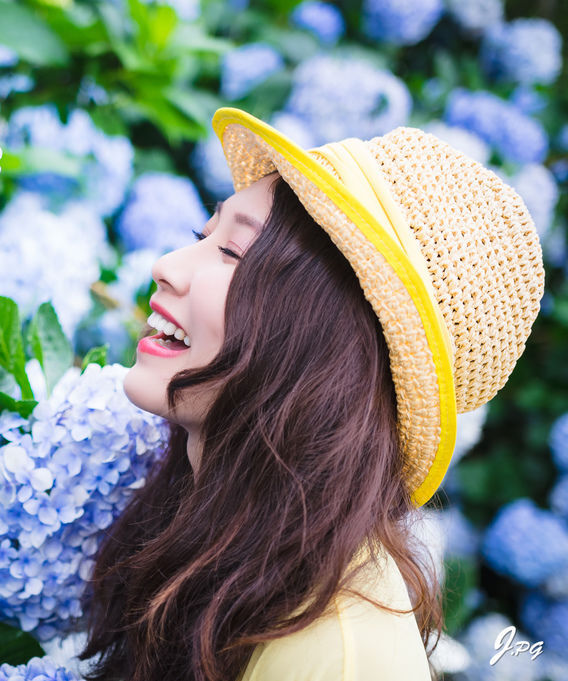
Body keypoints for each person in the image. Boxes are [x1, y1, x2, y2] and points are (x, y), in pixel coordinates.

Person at [78, 108, 546, 681]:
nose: (167, 266)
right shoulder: (232, 545)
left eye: (231, 254)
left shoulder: (343, 654)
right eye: (203, 236)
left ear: (324, 342)